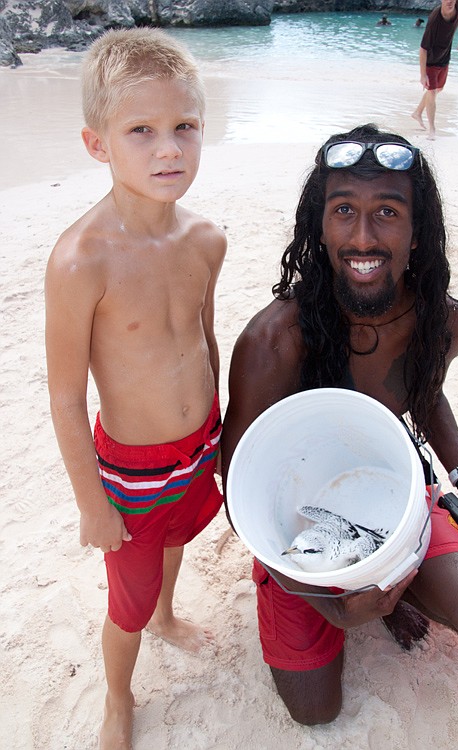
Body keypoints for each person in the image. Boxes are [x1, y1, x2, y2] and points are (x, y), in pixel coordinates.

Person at [221, 124, 458, 725]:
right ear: (318, 228)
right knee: (315, 713)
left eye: (388, 212)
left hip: (390, 492)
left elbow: (426, 394)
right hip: (298, 527)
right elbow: (240, 502)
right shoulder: (274, 342)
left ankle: (398, 581)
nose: (363, 236)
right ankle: (367, 598)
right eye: (343, 210)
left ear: (417, 232)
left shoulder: (442, 323)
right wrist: (323, 599)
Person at [45, 28, 226, 749]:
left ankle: (170, 614)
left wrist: (223, 432)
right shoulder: (80, 260)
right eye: (141, 131)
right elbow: (64, 396)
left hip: (199, 440)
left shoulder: (207, 238)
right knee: (126, 602)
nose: (169, 149)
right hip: (129, 471)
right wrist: (91, 503)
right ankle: (118, 698)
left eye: (185, 127)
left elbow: (204, 340)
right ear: (98, 145)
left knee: (179, 537)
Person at [412, 0, 458, 139]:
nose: (450, 2)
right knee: (432, 92)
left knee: (437, 90)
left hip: (444, 57)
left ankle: (417, 112)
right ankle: (432, 130)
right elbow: (423, 49)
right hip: (430, 61)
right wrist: (423, 75)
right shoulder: (435, 20)